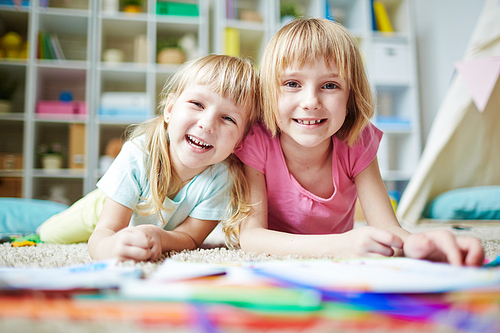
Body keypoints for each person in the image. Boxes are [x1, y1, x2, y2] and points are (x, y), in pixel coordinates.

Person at [230, 18, 484, 266]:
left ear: (351, 97)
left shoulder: (357, 141)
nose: (310, 101)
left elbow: (387, 227)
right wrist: (339, 245)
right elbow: (252, 237)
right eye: (292, 83)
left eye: (330, 85)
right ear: (268, 93)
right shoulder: (257, 140)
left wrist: (423, 245)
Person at [38, 54, 259, 261]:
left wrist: (159, 237)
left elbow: (191, 238)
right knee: (47, 234)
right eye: (197, 104)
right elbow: (105, 231)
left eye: (228, 118)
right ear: (170, 109)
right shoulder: (138, 153)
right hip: (103, 206)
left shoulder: (223, 177)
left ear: (239, 142)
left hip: (148, 223)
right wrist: (111, 246)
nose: (207, 124)